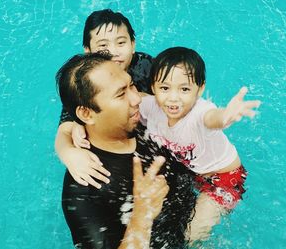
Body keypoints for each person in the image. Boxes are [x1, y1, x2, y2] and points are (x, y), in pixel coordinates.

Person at [71, 47, 261, 242]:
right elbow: (105, 114)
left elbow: (213, 118)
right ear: (152, 87)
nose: (173, 98)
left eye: (185, 89)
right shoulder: (149, 107)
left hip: (224, 179)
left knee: (191, 235)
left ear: (200, 89)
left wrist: (226, 115)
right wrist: (77, 126)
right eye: (164, 88)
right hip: (196, 172)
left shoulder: (199, 113)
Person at [55, 52, 196, 248]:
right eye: (121, 94)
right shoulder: (85, 191)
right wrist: (141, 216)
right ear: (87, 113)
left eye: (131, 85)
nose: (137, 98)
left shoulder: (147, 120)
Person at [56, 9, 153, 189]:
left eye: (121, 42)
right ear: (88, 51)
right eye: (102, 46)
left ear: (133, 44)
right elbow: (63, 132)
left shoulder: (145, 66)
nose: (113, 52)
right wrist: (69, 154)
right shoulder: (84, 84)